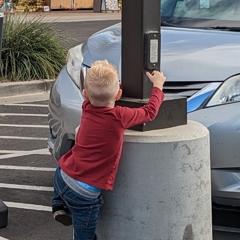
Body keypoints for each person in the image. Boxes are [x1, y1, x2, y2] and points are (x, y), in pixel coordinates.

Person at [51, 59, 166, 240]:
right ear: (119, 93)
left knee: (63, 168)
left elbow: (94, 95)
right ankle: (63, 207)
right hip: (84, 196)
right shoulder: (119, 116)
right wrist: (157, 86)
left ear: (85, 95)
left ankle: (58, 205)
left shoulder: (86, 107)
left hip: (62, 178)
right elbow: (149, 112)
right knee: (85, 236)